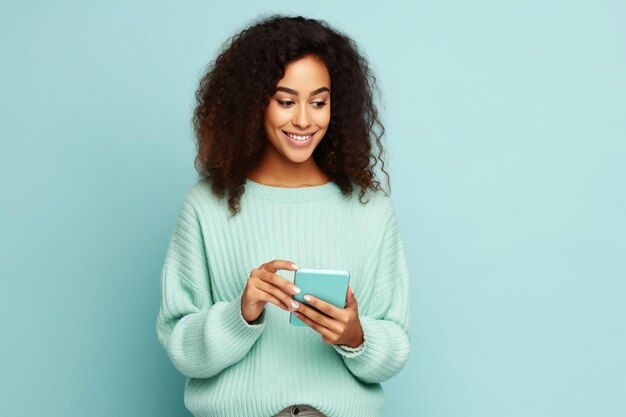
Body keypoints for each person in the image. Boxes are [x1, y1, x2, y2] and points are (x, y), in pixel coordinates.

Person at [156, 14, 411, 417]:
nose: (304, 120)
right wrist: (241, 314)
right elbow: (180, 345)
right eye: (286, 101)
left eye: (319, 102)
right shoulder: (206, 207)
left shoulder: (371, 210)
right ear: (254, 103)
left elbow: (396, 346)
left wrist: (355, 336)